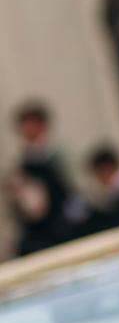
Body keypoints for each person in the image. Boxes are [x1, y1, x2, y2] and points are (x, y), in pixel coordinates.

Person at [5, 102, 87, 256]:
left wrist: (69, 221)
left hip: (65, 226)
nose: (27, 130)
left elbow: (76, 192)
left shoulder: (59, 154)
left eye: (31, 124)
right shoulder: (21, 164)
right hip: (39, 232)